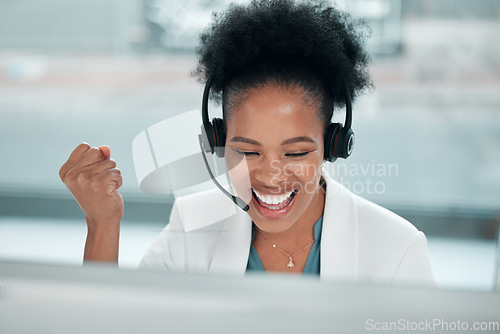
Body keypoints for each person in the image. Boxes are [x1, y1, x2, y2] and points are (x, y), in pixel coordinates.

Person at [59, 0, 434, 286]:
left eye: (296, 152)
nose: (271, 176)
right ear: (218, 141)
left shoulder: (397, 250)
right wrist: (102, 222)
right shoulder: (191, 226)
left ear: (333, 144)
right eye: (248, 151)